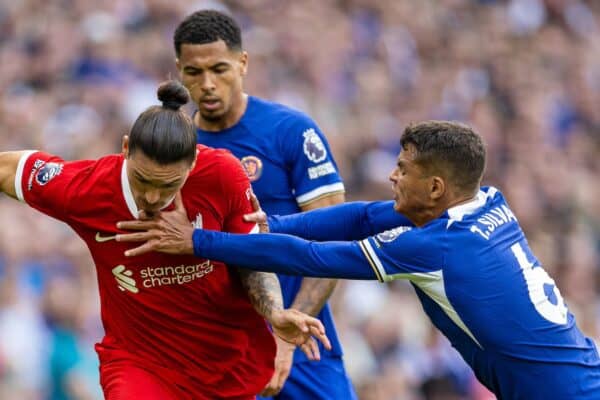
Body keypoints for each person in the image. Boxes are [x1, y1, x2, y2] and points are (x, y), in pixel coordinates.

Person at [117, 120, 600, 399]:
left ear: (435, 188)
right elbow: (363, 218)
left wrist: (201, 242)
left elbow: (310, 258)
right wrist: (263, 224)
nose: (392, 177)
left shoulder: (436, 247)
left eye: (403, 169)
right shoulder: (486, 202)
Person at [0, 80, 330, 400]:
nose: (153, 196)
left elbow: (251, 259)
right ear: (126, 148)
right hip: (139, 363)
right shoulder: (88, 189)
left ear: (192, 164)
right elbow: (7, 168)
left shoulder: (222, 175)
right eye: (142, 180)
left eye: (169, 185)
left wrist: (274, 312)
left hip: (224, 363)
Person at [172, 9, 355, 399]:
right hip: (217, 349)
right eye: (193, 73)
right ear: (178, 71)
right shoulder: (173, 147)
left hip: (302, 342)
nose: (207, 84)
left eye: (219, 69)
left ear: (243, 63)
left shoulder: (290, 131)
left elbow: (333, 241)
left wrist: (285, 340)